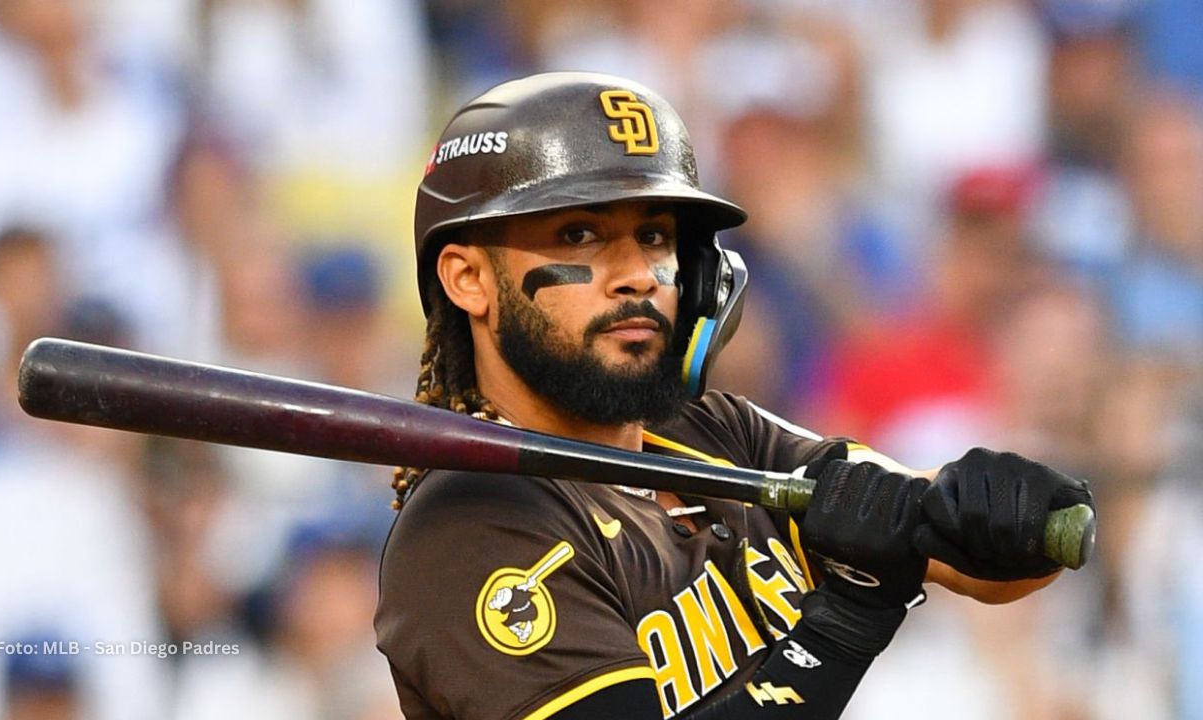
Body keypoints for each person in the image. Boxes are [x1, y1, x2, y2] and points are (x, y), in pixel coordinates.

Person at [373, 72, 1094, 719]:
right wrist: (846, 617)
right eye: (581, 234)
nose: (638, 275)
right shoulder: (466, 529)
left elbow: (966, 554)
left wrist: (1018, 512)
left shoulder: (713, 433)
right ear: (468, 278)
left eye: (654, 236)